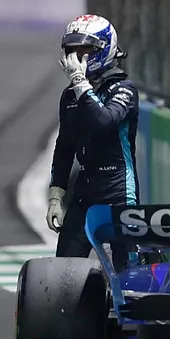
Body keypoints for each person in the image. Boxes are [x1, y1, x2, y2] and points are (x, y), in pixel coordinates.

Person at [47, 14, 140, 272]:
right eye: (73, 50)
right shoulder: (70, 96)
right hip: (84, 194)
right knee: (62, 271)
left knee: (128, 274)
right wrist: (56, 197)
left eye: (86, 49)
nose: (78, 57)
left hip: (119, 194)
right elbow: (64, 147)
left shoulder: (124, 89)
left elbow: (103, 122)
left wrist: (80, 83)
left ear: (104, 49)